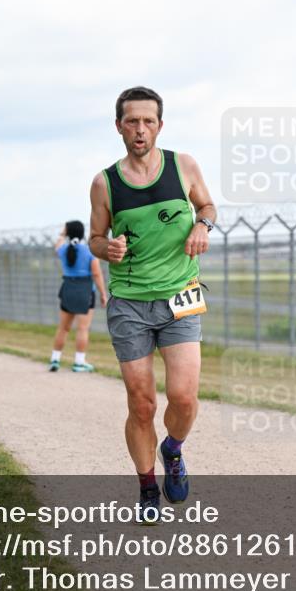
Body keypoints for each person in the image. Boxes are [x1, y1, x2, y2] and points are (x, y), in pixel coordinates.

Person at [89, 86, 216, 524]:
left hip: (180, 295)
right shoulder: (105, 182)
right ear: (118, 126)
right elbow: (95, 238)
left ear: (160, 125)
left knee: (183, 397)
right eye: (131, 121)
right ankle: (147, 487)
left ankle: (173, 449)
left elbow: (208, 205)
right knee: (142, 404)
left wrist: (202, 225)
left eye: (148, 121)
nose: (140, 129)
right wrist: (107, 249)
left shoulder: (183, 166)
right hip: (129, 303)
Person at [50, 220, 107, 372]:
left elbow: (58, 245)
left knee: (63, 328)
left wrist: (63, 234)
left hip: (67, 288)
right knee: (82, 329)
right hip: (85, 290)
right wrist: (103, 294)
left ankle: (55, 360)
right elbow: (96, 273)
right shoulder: (89, 251)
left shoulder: (63, 250)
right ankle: (79, 362)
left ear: (67, 233)